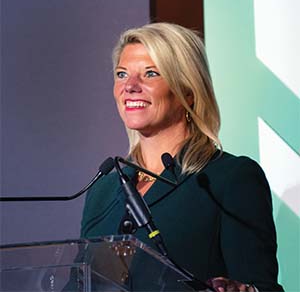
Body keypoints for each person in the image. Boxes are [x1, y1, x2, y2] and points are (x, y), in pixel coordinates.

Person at [80, 23, 283, 292]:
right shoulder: (104, 189)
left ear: (188, 88)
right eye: (121, 74)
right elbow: (79, 283)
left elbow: (261, 286)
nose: (129, 86)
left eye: (150, 73)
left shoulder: (228, 179)